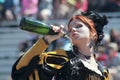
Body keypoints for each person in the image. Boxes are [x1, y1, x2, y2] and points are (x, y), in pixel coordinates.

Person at [11, 11, 110, 80]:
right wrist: (45, 40)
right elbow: (20, 71)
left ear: (93, 33)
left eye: (78, 26)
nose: (73, 30)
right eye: (70, 29)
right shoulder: (60, 58)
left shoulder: (104, 72)